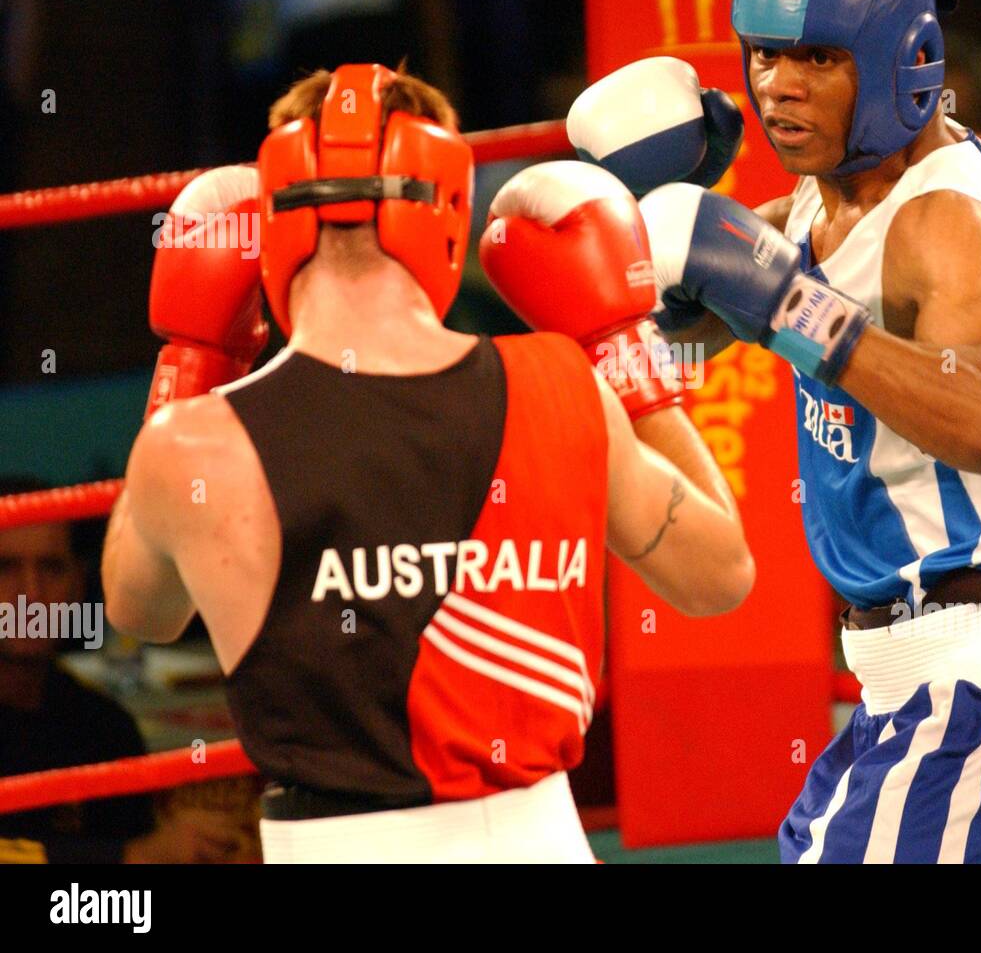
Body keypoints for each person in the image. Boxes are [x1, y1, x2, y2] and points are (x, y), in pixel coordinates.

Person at [567, 0, 981, 863]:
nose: (777, 89)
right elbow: (703, 331)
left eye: (818, 59)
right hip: (919, 681)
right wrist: (652, 247)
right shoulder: (820, 201)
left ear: (904, 61)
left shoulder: (948, 227)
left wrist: (794, 309)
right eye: (763, 56)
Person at [102, 63, 753, 863]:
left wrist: (191, 359)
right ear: (447, 210)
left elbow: (139, 609)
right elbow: (720, 572)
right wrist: (625, 351)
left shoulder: (197, 444)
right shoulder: (564, 386)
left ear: (273, 224)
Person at [0, 477, 240, 863]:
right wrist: (133, 856)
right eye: (5, 568)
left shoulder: (103, 728)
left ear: (78, 587)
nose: (31, 592)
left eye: (51, 568)